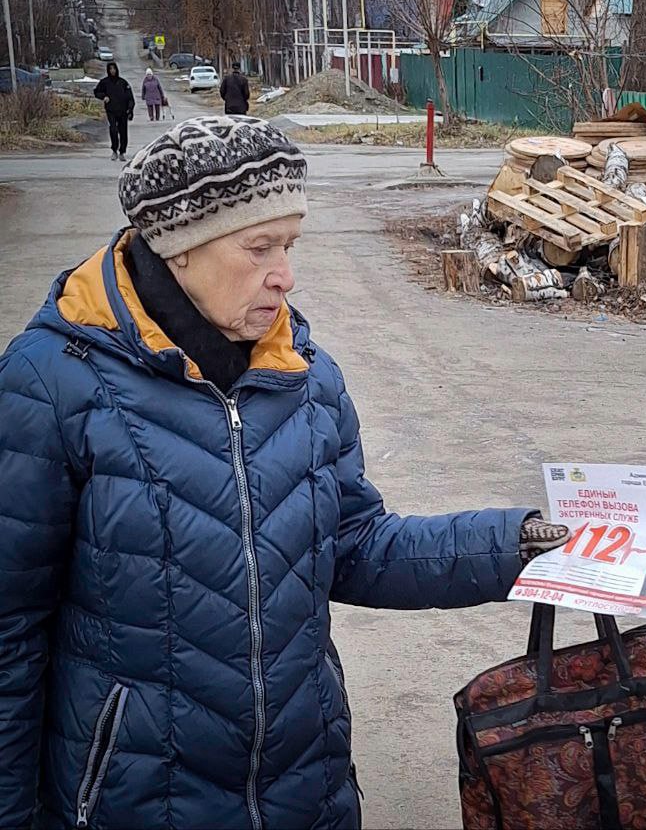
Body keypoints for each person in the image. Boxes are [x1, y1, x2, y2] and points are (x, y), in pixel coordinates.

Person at [0, 115, 569, 829]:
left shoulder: (305, 376)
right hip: (131, 802)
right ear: (179, 249)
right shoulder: (50, 383)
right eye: (259, 246)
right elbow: (9, 633)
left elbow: (357, 547)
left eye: (290, 245)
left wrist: (521, 544)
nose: (286, 275)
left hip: (308, 792)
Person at [93, 61, 134, 160]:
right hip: (111, 110)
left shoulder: (123, 82)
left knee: (123, 132)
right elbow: (96, 92)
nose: (112, 71)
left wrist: (130, 110)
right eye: (110, 69)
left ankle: (122, 152)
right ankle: (114, 150)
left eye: (114, 69)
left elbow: (130, 98)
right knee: (113, 130)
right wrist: (104, 97)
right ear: (108, 70)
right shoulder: (104, 82)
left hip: (123, 111)